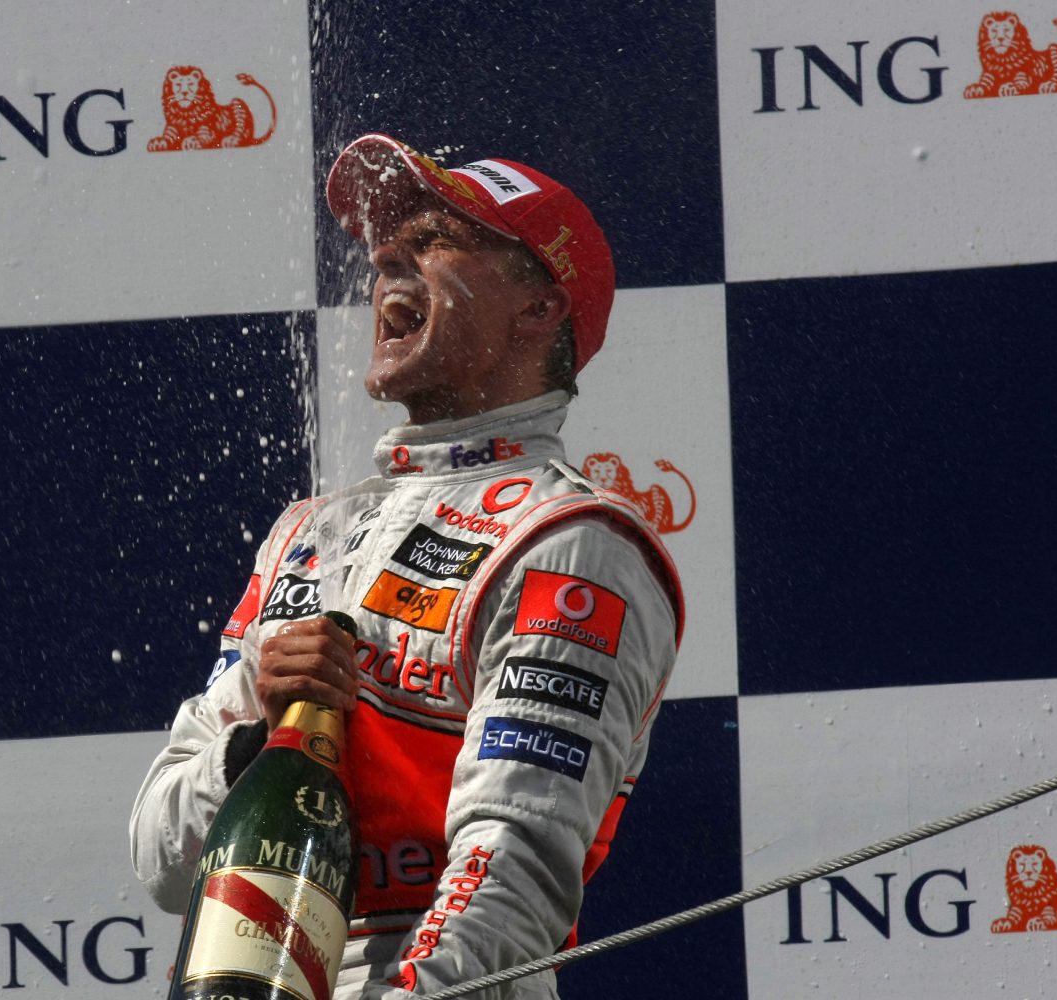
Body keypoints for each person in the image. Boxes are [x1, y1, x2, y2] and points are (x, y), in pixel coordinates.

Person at [130, 133, 684, 1000]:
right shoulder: (308, 535)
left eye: (431, 239)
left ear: (538, 308)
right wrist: (255, 744)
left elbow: (510, 878)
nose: (386, 256)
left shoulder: (569, 543)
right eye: (386, 242)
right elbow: (161, 858)